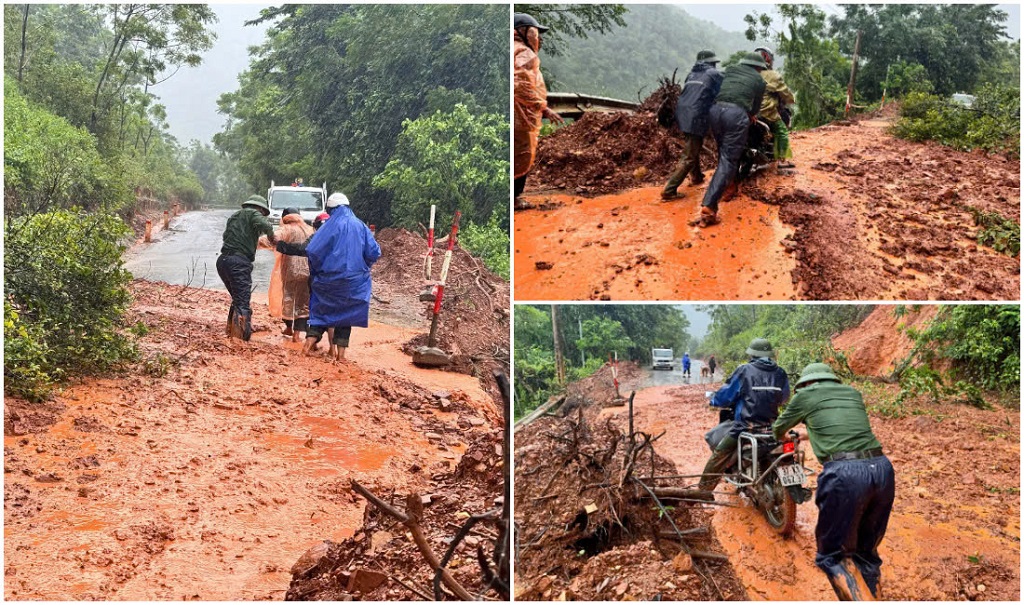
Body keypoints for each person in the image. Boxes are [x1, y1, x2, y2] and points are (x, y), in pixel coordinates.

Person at [773, 363, 895, 601]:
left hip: (845, 475)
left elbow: (779, 430)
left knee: (833, 557)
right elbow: (839, 429)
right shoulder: (852, 393)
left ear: (806, 384)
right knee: (866, 554)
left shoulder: (805, 395)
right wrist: (809, 433)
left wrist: (789, 435)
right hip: (882, 470)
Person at [698, 338, 789, 492]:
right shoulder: (780, 373)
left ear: (752, 354)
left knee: (719, 454)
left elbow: (726, 395)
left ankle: (703, 492)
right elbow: (784, 397)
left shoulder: (744, 370)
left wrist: (714, 400)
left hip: (746, 427)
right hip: (772, 427)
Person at [302, 192, 381, 361]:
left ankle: (306, 348)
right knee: (347, 316)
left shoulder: (328, 227)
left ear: (331, 209)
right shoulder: (360, 226)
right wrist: (362, 267)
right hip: (354, 283)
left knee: (321, 313)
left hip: (328, 281)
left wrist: (318, 270)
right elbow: (374, 252)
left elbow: (312, 250)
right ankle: (341, 357)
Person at [696, 52, 768, 228]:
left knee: (724, 155)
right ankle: (709, 205)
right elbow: (756, 106)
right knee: (729, 159)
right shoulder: (759, 81)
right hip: (736, 115)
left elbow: (720, 88)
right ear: (758, 67)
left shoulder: (730, 69)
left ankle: (730, 187)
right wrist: (751, 114)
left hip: (715, 111)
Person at [513, 12, 563, 210]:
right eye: (535, 32)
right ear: (524, 32)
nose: (538, 38)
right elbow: (521, 86)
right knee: (522, 154)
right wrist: (542, 107)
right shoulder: (524, 52)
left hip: (518, 112)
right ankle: (515, 199)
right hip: (521, 116)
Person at [661, 50, 724, 200]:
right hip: (696, 115)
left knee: (692, 145)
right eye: (714, 63)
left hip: (682, 113)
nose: (715, 66)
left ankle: (696, 177)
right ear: (710, 63)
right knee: (689, 155)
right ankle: (669, 190)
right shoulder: (713, 74)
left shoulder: (692, 74)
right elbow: (726, 85)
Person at [217, 195, 276, 341]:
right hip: (239, 262)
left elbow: (227, 236)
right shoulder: (253, 213)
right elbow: (267, 226)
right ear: (261, 209)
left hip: (223, 261)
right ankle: (240, 339)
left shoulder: (234, 217)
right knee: (242, 301)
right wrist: (272, 237)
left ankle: (231, 331)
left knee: (237, 298)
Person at [267, 208, 314, 342]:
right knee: (303, 302)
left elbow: (271, 240)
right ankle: (297, 335)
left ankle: (289, 328)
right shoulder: (310, 229)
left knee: (288, 299)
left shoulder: (286, 229)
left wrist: (252, 243)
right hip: (307, 270)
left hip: (290, 271)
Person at [754, 47, 796, 171]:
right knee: (782, 131)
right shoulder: (773, 75)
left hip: (747, 111)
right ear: (768, 59)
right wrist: (792, 99)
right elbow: (787, 95)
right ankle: (782, 160)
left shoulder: (749, 74)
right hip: (766, 112)